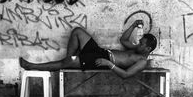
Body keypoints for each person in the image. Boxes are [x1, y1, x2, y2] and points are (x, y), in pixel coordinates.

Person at [19, 20, 157, 79]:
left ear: (148, 48)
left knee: (66, 62)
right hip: (101, 52)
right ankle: (69, 60)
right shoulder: (136, 49)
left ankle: (31, 66)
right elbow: (124, 40)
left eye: (142, 43)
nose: (138, 43)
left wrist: (110, 65)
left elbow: (126, 75)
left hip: (102, 61)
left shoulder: (141, 61)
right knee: (78, 31)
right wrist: (133, 25)